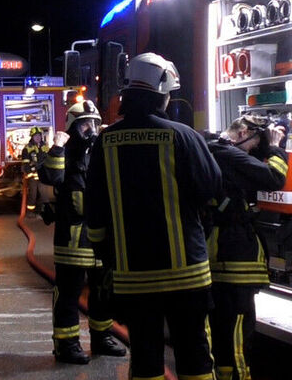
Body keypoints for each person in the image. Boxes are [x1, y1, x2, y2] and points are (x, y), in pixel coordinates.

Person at [85, 52, 222, 380]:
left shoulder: (106, 141)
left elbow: (95, 209)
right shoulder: (184, 136)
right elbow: (212, 189)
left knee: (145, 359)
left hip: (134, 278)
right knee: (195, 354)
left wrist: (107, 258)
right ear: (162, 95)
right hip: (188, 274)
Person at [38, 100, 127, 364]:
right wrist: (58, 145)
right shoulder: (63, 152)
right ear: (72, 127)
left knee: (103, 292)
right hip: (72, 238)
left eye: (95, 124)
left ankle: (101, 338)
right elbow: (51, 177)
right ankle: (66, 345)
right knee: (68, 294)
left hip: (100, 237)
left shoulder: (101, 151)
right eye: (85, 124)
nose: (91, 129)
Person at [203, 115, 287, 380]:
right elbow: (274, 178)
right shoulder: (225, 152)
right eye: (254, 145)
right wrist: (275, 148)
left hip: (220, 256)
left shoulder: (210, 149)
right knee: (237, 339)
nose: (254, 152)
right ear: (241, 132)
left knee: (223, 337)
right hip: (232, 260)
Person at [20, 126, 49, 216]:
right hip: (33, 176)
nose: (38, 137)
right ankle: (30, 212)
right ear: (32, 137)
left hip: (42, 176)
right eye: (36, 136)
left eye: (39, 136)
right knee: (33, 194)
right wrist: (31, 171)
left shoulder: (45, 147)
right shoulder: (27, 148)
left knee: (44, 195)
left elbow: (48, 159)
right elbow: (25, 163)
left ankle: (42, 212)